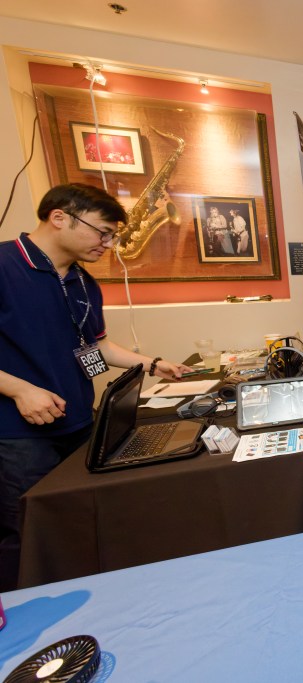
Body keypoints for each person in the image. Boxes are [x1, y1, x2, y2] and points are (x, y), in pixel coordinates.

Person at [0, 183, 192, 590]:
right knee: (28, 535)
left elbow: (95, 348)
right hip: (16, 437)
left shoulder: (85, 283)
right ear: (59, 217)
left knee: (83, 522)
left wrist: (153, 364)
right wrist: (18, 389)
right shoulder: (3, 266)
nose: (108, 243)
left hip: (78, 424)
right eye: (102, 232)